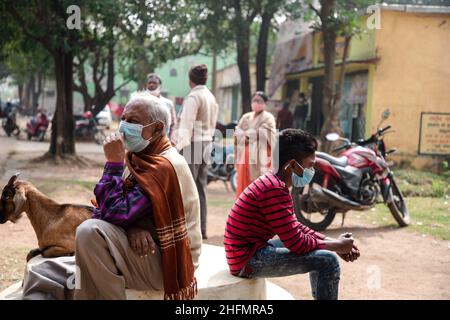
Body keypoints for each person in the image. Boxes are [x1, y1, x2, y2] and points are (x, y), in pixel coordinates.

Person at [75, 91, 202, 300]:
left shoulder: (164, 166)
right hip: (147, 248)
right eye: (123, 119)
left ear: (158, 128)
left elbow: (115, 212)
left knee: (90, 233)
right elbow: (105, 209)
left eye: (133, 121)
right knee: (88, 226)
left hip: (169, 261)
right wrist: (132, 226)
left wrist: (114, 164)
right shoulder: (139, 158)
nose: (123, 126)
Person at [224, 129, 360, 300]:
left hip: (249, 251)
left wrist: (334, 243)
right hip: (247, 260)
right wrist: (336, 246)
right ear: (293, 165)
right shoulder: (274, 189)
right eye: (310, 165)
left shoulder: (273, 181)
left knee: (324, 254)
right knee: (328, 261)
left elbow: (295, 228)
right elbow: (297, 243)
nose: (312, 171)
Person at [172, 64, 219, 240]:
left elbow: (186, 126)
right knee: (200, 187)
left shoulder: (193, 97)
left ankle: (189, 230)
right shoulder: (210, 96)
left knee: (187, 188)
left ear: (190, 80)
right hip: (207, 142)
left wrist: (177, 148)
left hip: (193, 145)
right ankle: (202, 228)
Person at [234, 91, 276, 198]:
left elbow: (265, 133)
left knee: (258, 182)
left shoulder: (268, 117)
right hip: (245, 154)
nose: (256, 103)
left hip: (260, 156)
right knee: (243, 182)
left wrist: (247, 135)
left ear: (265, 103)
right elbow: (237, 132)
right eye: (254, 100)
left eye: (259, 101)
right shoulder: (246, 116)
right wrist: (250, 135)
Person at [146, 73, 177, 139]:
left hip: (163, 140)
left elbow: (173, 123)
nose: (151, 84)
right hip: (144, 140)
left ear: (160, 86)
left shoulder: (168, 103)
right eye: (149, 82)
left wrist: (171, 138)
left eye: (154, 83)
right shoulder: (140, 101)